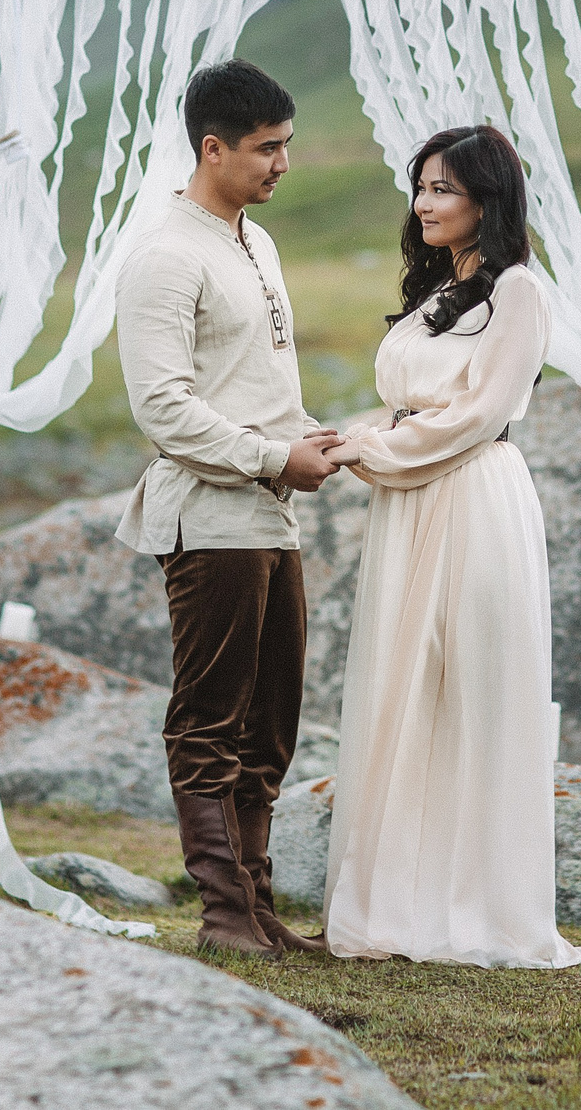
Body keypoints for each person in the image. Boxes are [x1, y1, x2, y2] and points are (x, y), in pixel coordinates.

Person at [318, 124, 581, 969]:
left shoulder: (518, 293)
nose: (424, 203)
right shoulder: (439, 290)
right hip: (410, 497)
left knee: (468, 689)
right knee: (402, 687)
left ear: (486, 200)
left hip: (471, 493)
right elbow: (410, 405)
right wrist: (347, 436)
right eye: (421, 186)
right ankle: (397, 902)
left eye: (443, 189)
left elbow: (477, 414)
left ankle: (476, 907)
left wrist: (368, 450)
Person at [113, 59, 342, 960]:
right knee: (210, 718)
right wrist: (272, 456)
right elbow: (162, 408)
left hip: (269, 514)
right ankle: (222, 915)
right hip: (209, 520)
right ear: (212, 148)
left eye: (286, 144)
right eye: (265, 148)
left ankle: (259, 908)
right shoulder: (165, 256)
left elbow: (250, 381)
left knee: (271, 721)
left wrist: (308, 438)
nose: (283, 163)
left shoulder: (257, 241)